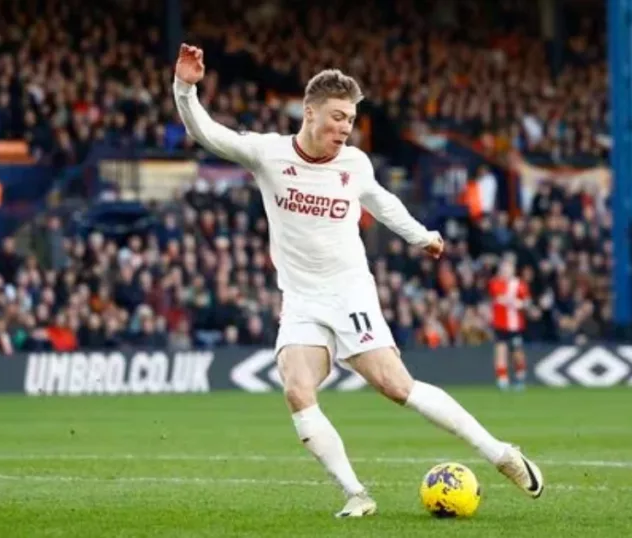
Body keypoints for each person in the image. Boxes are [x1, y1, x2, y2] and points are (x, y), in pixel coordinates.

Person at [172, 43, 544, 518]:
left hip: (349, 292)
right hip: (302, 298)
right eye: (337, 117)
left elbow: (382, 202)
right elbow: (206, 133)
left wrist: (421, 236)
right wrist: (186, 87)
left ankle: (501, 454)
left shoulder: (354, 164)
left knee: (395, 386)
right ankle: (356, 492)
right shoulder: (267, 154)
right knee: (296, 388)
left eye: (350, 119)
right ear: (309, 113)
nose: (345, 128)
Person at [488, 258, 530, 390]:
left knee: (517, 352)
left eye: (508, 268)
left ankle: (520, 376)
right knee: (501, 351)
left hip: (515, 325)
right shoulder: (495, 283)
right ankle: (502, 380)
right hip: (500, 324)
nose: (506, 271)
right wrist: (515, 301)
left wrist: (522, 304)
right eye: (504, 269)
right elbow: (499, 298)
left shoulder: (520, 284)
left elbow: (527, 302)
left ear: (513, 270)